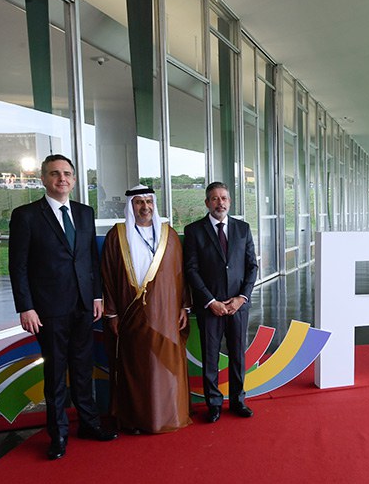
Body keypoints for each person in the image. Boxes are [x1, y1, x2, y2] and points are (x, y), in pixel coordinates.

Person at [8, 154, 117, 460]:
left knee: (83, 369)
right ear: (43, 179)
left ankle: (89, 424)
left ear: (74, 178)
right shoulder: (26, 215)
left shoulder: (84, 213)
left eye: (67, 173)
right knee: (56, 373)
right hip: (48, 309)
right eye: (55, 174)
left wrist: (96, 296)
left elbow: (89, 260)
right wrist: (25, 307)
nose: (62, 179)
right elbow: (18, 266)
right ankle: (58, 435)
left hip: (84, 305)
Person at [101, 185, 192, 434]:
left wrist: (184, 306)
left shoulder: (168, 235)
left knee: (164, 367)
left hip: (165, 315)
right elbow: (107, 276)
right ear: (131, 206)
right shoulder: (117, 235)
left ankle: (169, 415)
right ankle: (136, 419)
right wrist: (112, 313)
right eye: (139, 202)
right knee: (137, 368)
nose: (145, 207)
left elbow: (180, 275)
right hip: (130, 317)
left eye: (149, 202)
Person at [184, 182, 258, 423]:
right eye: (214, 199)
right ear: (207, 203)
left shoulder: (243, 229)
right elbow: (191, 269)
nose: (220, 203)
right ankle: (213, 404)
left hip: (238, 305)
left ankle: (238, 401)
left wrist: (241, 298)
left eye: (224, 198)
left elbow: (251, 266)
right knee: (210, 357)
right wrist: (210, 301)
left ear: (230, 201)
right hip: (210, 307)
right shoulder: (194, 231)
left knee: (238, 355)